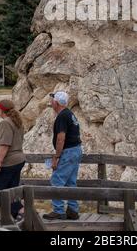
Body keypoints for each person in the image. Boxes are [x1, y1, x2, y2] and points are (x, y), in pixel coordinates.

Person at [43, 91, 82, 221]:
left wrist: (57, 156)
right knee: (71, 182)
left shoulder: (62, 116)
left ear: (57, 103)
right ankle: (72, 210)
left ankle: (58, 210)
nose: (51, 101)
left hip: (68, 152)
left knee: (56, 180)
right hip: (76, 149)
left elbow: (61, 138)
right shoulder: (70, 114)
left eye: (53, 99)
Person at [0, 99, 26, 220]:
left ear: (2, 110)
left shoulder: (6, 123)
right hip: (19, 160)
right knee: (11, 188)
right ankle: (14, 215)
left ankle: (21, 209)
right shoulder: (17, 122)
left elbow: (5, 144)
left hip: (9, 162)